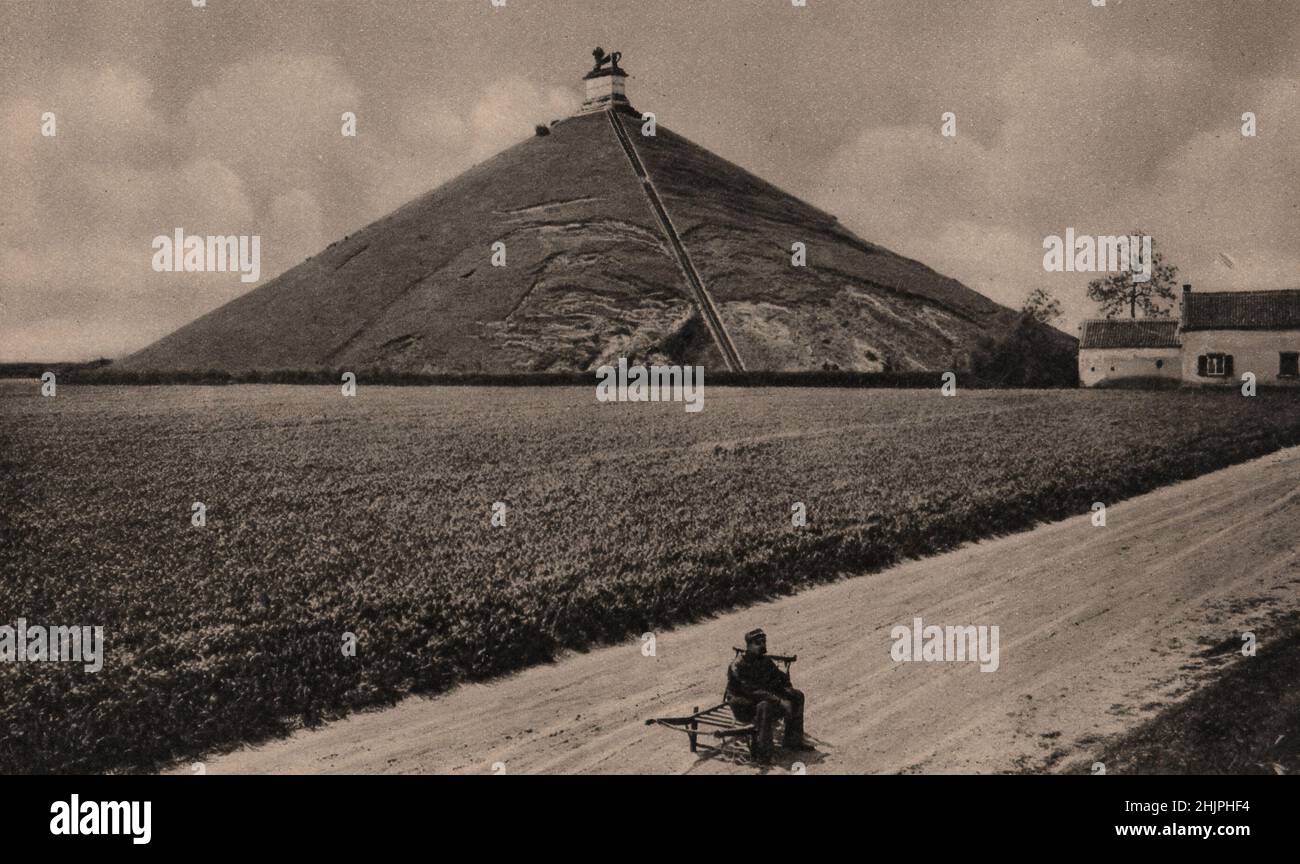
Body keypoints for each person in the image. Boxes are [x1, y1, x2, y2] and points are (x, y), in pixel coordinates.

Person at [724, 628, 808, 760]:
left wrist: (788, 692)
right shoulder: (738, 665)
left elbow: (781, 678)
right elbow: (751, 691)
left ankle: (793, 741)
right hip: (743, 706)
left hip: (762, 700)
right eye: (758, 643)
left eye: (764, 642)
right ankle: (765, 754)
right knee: (765, 706)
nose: (763, 645)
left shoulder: (764, 661)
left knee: (797, 696)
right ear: (749, 645)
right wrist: (779, 701)